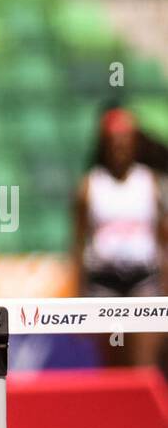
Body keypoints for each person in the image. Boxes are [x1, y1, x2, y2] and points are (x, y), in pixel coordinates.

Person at [73, 107, 166, 369]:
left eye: (125, 143)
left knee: (145, 368)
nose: (120, 149)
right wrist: (79, 295)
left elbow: (162, 242)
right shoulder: (90, 186)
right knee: (114, 369)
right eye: (114, 143)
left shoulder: (149, 183)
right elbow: (78, 244)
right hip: (105, 283)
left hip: (143, 281)